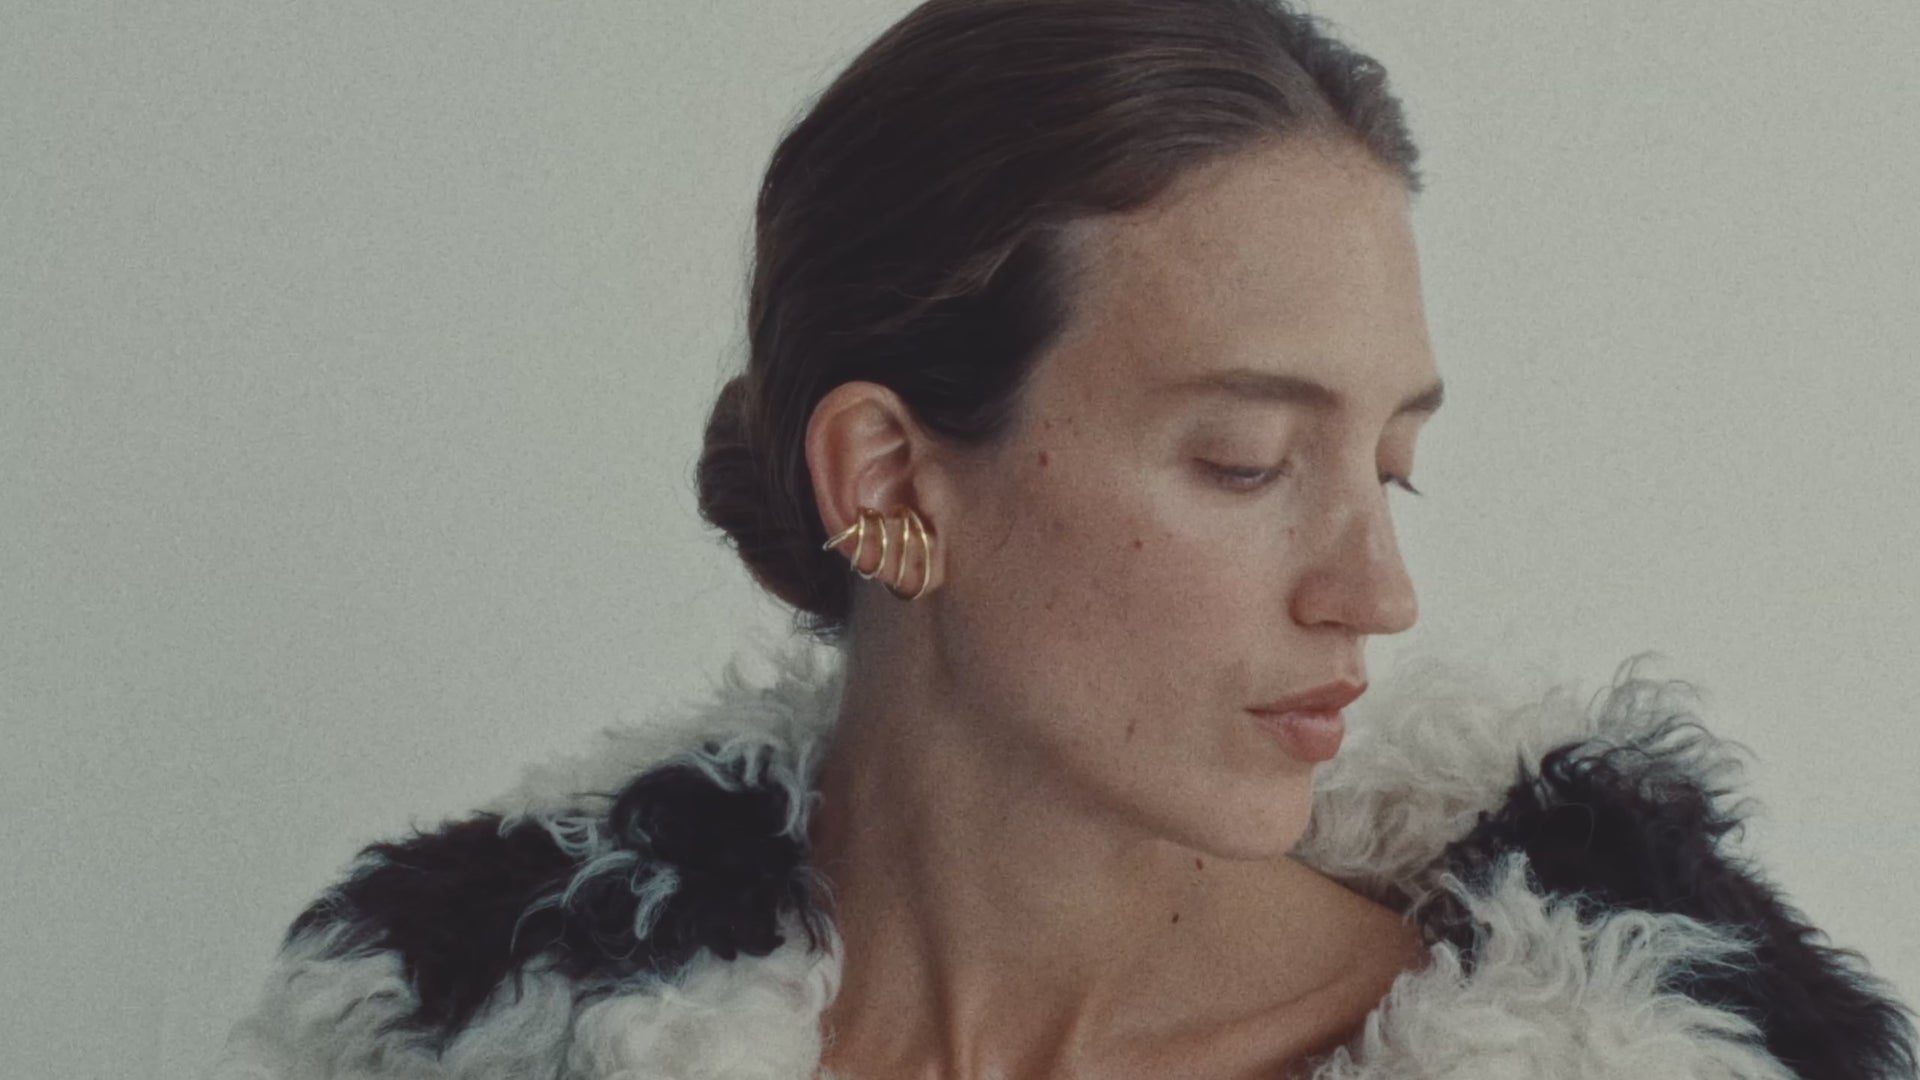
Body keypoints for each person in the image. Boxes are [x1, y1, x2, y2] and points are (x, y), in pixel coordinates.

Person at [210, 1, 1916, 1077]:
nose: (1376, 591)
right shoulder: (449, 1026)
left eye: (1390, 468)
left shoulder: (1638, 1053)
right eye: (1248, 462)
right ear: (890, 477)